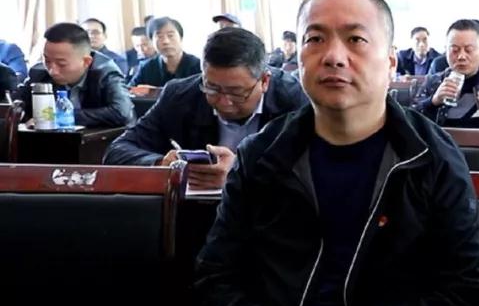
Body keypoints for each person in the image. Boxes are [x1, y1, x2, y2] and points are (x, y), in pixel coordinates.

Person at [196, 0, 479, 306]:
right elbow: (217, 277)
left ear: (391, 62)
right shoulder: (262, 155)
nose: (333, 56)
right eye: (315, 39)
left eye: (356, 40)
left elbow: (460, 290)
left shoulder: (432, 159)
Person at [104, 28, 308, 189]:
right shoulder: (180, 96)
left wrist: (240, 173)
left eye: (237, 92)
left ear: (264, 81)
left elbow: (308, 172)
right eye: (212, 89)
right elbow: (117, 151)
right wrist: (160, 164)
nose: (224, 102)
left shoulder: (293, 99)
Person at [15, 22, 132, 127]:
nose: (52, 71)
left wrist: (56, 117)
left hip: (105, 140)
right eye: (47, 61)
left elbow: (122, 113)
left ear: (86, 62)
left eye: (61, 64)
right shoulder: (39, 73)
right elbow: (16, 104)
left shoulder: (105, 72)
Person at [129, 17, 201, 93]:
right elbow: (129, 91)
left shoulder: (198, 65)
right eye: (159, 36)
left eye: (170, 35)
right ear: (152, 41)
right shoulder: (146, 67)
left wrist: (155, 92)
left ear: (181, 38)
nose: (166, 41)